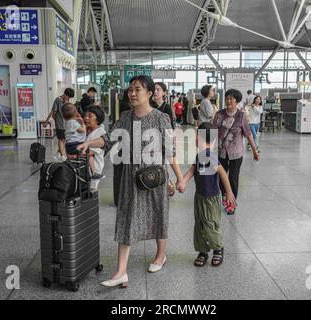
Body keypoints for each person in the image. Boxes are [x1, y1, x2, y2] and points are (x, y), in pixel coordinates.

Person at [77, 75, 184, 288]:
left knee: (158, 215)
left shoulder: (161, 118)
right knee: (126, 219)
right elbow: (108, 139)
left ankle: (161, 256)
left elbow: (170, 153)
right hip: (130, 178)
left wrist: (178, 179)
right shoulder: (125, 117)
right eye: (130, 90)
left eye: (137, 89)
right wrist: (89, 143)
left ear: (150, 93)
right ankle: (121, 271)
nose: (132, 93)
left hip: (154, 178)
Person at [178, 122, 236, 267]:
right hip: (199, 197)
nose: (195, 139)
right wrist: (183, 181)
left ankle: (218, 248)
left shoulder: (211, 156)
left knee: (210, 224)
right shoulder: (199, 156)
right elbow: (192, 170)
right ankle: (203, 251)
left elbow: (222, 173)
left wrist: (228, 192)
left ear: (200, 138)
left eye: (196, 135)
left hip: (211, 198)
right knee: (199, 225)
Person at [213, 89, 259, 215]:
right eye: (227, 98)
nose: (228, 101)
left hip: (236, 153)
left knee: (233, 178)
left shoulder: (241, 116)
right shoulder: (219, 114)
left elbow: (248, 134)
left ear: (237, 101)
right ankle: (224, 198)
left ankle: (231, 203)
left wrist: (255, 150)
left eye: (231, 99)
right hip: (221, 152)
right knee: (221, 177)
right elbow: (212, 133)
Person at [44, 88, 75, 161]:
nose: (69, 98)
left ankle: (58, 154)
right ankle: (62, 155)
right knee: (61, 139)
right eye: (68, 97)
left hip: (66, 124)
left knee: (64, 140)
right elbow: (53, 112)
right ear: (65, 94)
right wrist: (47, 121)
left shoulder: (66, 101)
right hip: (60, 124)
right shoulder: (57, 100)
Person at [83, 106, 107, 187]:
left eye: (90, 116)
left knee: (92, 189)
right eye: (85, 115)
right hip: (82, 165)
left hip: (94, 167)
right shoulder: (85, 129)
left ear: (98, 119)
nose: (86, 118)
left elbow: (90, 152)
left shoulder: (100, 133)